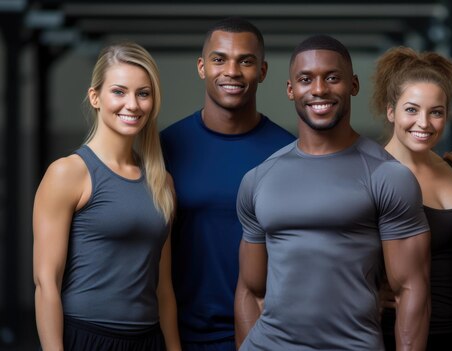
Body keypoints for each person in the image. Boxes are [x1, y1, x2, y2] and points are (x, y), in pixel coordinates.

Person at [235, 35, 432, 351]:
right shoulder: (259, 179)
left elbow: (410, 289)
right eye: (305, 79)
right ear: (290, 90)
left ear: (353, 85)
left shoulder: (388, 176)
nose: (318, 90)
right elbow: (249, 289)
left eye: (332, 78)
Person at [33, 42, 181, 350]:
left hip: (149, 339)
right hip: (88, 338)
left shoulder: (161, 182)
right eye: (119, 91)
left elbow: (163, 288)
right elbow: (46, 282)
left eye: (143, 93)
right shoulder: (68, 173)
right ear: (95, 97)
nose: (133, 104)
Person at [159, 17, 295, 351]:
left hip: (267, 335)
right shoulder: (164, 148)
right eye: (219, 59)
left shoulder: (288, 153)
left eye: (245, 61)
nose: (231, 71)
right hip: (180, 334)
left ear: (262, 72)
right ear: (202, 67)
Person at [371, 47, 452, 350]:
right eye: (412, 109)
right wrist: (364, 290)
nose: (424, 123)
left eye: (436, 112)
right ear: (391, 110)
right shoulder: (369, 173)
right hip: (398, 336)